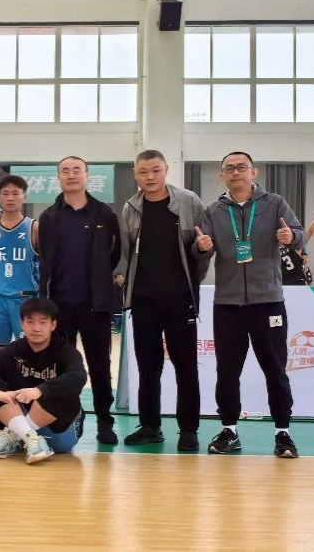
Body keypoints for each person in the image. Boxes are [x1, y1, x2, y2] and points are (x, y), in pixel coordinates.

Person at [194, 151, 303, 458]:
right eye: (229, 168)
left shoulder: (275, 203)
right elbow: (200, 251)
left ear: (253, 172)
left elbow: (299, 236)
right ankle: (229, 430)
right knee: (227, 371)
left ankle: (283, 433)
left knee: (275, 369)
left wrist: (290, 236)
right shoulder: (214, 210)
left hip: (268, 302)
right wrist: (201, 247)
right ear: (222, 176)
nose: (235, 172)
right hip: (227, 304)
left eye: (241, 167)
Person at [119, 150, 208, 451]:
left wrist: (202, 253)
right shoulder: (131, 207)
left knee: (186, 366)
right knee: (148, 366)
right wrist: (121, 281)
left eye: (155, 170)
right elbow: (126, 254)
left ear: (166, 170)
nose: (150, 177)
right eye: (143, 172)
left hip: (181, 299)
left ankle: (189, 430)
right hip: (144, 300)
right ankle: (150, 426)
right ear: (136, 174)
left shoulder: (189, 201)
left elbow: (202, 248)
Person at [36, 156, 121, 445]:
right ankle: (68, 417)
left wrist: (100, 281)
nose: (71, 175)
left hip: (96, 305)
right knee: (63, 367)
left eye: (77, 170)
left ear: (87, 175)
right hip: (60, 305)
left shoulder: (104, 213)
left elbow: (114, 253)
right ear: (58, 178)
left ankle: (105, 422)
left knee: (100, 366)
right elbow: (45, 257)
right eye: (65, 171)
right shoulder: (49, 216)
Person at [0, 298, 87, 464]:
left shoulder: (66, 351)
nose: (36, 328)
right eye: (30, 322)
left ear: (53, 325)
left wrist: (40, 390)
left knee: (62, 387)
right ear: (22, 324)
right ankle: (30, 439)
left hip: (58, 428)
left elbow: (79, 377)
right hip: (23, 420)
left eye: (43, 322)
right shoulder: (12, 351)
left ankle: (15, 434)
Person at [0, 174, 39, 346]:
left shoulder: (34, 228)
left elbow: (45, 265)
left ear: (24, 197)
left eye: (15, 193)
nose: (10, 198)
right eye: (5, 193)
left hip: (25, 299)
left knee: (29, 350)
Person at [280, 213, 314, 286]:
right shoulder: (273, 249)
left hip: (294, 284)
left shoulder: (295, 246)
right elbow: (309, 233)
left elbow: (309, 233)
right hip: (287, 284)